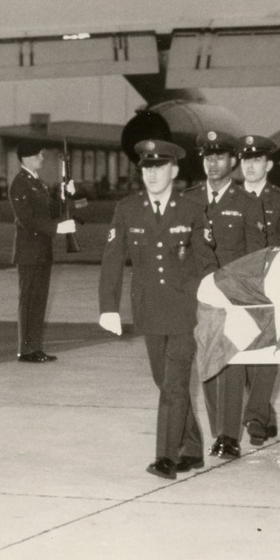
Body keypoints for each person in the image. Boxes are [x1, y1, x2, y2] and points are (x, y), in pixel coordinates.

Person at [99, 139, 214, 480]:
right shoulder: (127, 208)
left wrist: (210, 304)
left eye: (159, 167)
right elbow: (113, 259)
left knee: (174, 385)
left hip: (184, 312)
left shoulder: (191, 209)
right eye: (146, 168)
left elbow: (207, 262)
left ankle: (166, 457)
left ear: (174, 171)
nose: (151, 174)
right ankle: (192, 447)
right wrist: (108, 307)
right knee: (164, 381)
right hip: (148, 310)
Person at [182, 130, 264, 459]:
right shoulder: (187, 200)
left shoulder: (247, 203)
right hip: (196, 297)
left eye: (219, 157)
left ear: (233, 162)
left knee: (230, 364)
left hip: (232, 297)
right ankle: (219, 430)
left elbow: (256, 255)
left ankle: (228, 436)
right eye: (207, 157)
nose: (212, 163)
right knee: (207, 364)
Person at [238, 134, 280, 447]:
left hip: (271, 286)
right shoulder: (229, 198)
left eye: (257, 160)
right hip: (237, 287)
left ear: (269, 164)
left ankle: (254, 418)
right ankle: (264, 413)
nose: (250, 166)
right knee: (245, 352)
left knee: (265, 352)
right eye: (246, 160)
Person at [7, 140, 76, 363]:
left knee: (39, 301)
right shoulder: (19, 184)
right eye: (38, 156)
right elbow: (27, 220)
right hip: (28, 252)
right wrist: (57, 228)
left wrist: (67, 195)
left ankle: (35, 347)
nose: (42, 159)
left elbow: (54, 210)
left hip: (42, 250)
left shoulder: (40, 184)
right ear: (26, 158)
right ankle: (25, 350)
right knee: (28, 301)